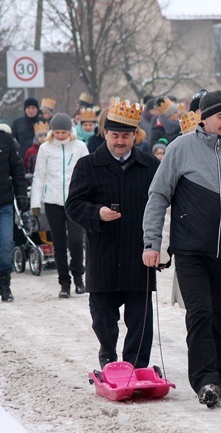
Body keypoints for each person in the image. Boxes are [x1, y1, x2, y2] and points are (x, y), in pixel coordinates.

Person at [142, 90, 221, 409]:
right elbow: (158, 196)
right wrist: (152, 243)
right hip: (190, 250)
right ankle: (204, 380)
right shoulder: (180, 149)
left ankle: (218, 377)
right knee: (199, 313)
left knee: (219, 316)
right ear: (204, 118)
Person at [66, 97, 159, 368]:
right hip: (103, 253)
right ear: (104, 133)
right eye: (115, 135)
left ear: (135, 136)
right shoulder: (88, 165)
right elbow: (73, 205)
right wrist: (97, 213)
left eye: (126, 136)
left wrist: (161, 247)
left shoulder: (149, 165)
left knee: (141, 318)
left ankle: (136, 365)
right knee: (103, 317)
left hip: (138, 254)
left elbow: (162, 203)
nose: (121, 141)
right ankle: (108, 354)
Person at [30, 113, 89, 298]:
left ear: (70, 131)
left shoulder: (80, 147)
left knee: (76, 240)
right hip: (53, 200)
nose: (61, 135)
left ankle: (79, 276)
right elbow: (39, 175)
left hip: (75, 199)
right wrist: (35, 202)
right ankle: (64, 282)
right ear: (52, 132)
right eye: (57, 132)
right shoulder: (45, 148)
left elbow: (89, 172)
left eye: (64, 132)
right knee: (59, 243)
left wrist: (90, 196)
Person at [0, 126, 28, 302]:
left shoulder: (6, 140)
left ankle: (4, 283)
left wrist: (21, 195)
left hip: (4, 203)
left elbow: (17, 170)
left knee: (6, 245)